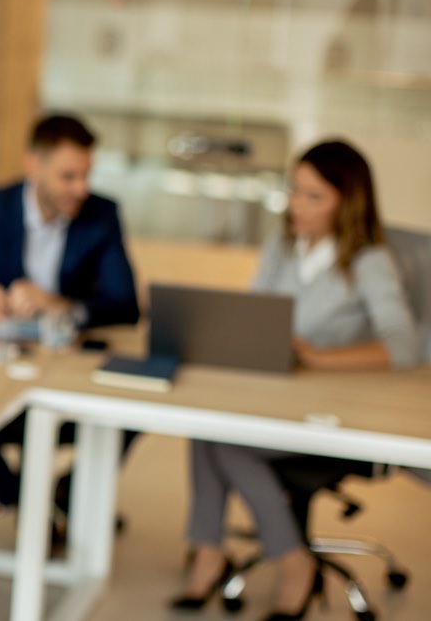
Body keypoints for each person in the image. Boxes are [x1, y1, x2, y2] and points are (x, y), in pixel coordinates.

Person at [173, 140, 419, 620]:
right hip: (275, 399)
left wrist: (322, 359)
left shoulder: (369, 262)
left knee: (223, 443)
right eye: (294, 191)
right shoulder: (282, 246)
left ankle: (289, 560)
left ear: (347, 203)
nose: (296, 207)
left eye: (314, 197)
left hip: (333, 416)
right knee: (205, 426)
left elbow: (404, 346)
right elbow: (254, 311)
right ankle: (209, 551)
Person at [0, 113, 140, 516]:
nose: (81, 189)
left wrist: (59, 303)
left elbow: (127, 305)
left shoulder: (101, 215)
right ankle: (23, 504)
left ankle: (66, 495)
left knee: (138, 407)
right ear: (33, 166)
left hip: (66, 370)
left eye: (86, 175)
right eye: (68, 177)